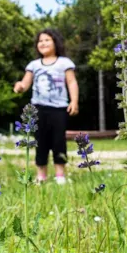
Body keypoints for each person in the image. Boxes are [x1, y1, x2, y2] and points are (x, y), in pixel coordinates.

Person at [13, 29, 79, 184]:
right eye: (40, 41)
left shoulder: (65, 63)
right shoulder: (34, 65)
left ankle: (60, 175)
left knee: (58, 141)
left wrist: (74, 101)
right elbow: (25, 83)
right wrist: (19, 87)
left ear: (56, 42)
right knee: (40, 141)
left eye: (47, 40)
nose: (43, 43)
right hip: (38, 110)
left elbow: (71, 82)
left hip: (59, 109)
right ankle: (41, 175)